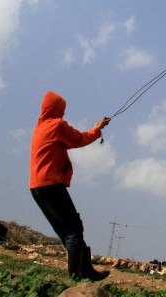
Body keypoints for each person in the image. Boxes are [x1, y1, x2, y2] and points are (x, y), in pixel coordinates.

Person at [29, 90, 111, 281]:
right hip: (50, 185)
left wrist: (96, 128)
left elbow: (67, 142)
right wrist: (98, 129)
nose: (63, 114)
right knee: (73, 228)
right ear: (55, 109)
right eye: (62, 110)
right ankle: (77, 277)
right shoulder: (56, 125)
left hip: (37, 187)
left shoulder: (41, 125)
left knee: (68, 230)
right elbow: (78, 139)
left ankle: (86, 272)